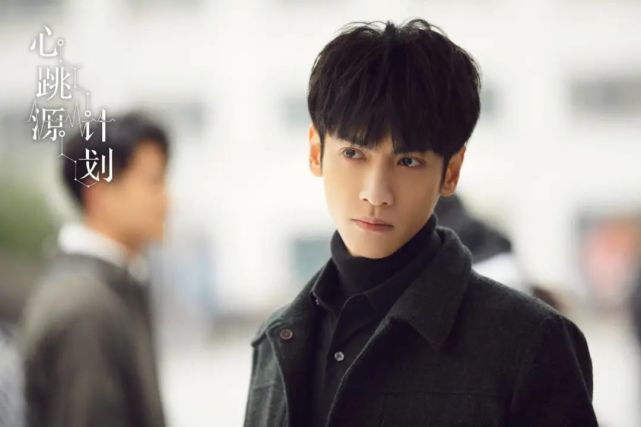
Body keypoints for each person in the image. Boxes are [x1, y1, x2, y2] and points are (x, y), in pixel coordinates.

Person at [243, 19, 598, 427]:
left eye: (408, 161)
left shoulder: (530, 343)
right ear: (315, 152)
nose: (376, 193)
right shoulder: (276, 340)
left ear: (451, 171)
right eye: (354, 154)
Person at [20, 113, 169, 427]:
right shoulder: (85, 307)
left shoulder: (111, 286)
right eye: (154, 182)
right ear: (99, 191)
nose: (167, 201)